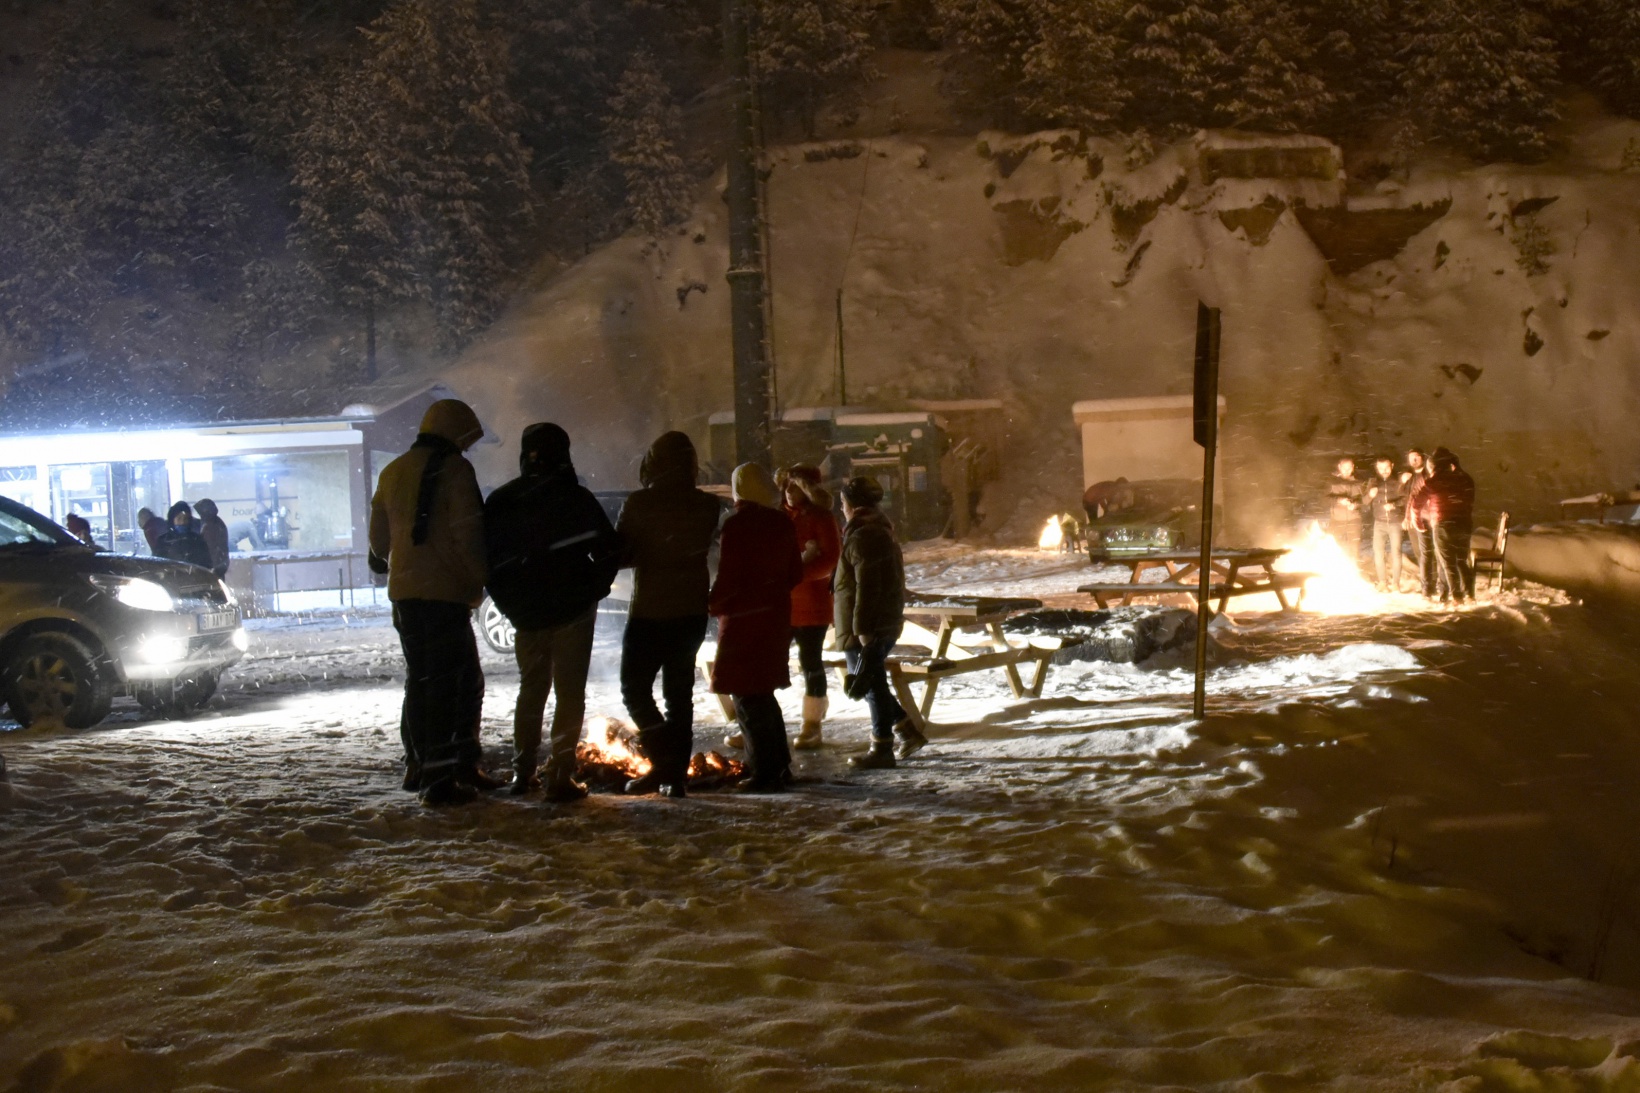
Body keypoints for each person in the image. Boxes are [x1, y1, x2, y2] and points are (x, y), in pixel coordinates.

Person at [483, 424, 620, 802]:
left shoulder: (502, 501)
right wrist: (594, 587)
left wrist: (511, 605)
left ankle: (522, 771)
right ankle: (559, 774)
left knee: (532, 691)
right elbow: (610, 550)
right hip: (573, 610)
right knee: (569, 693)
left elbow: (489, 563)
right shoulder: (576, 498)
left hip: (527, 615)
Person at [368, 398, 492, 807]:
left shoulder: (392, 470)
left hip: (406, 596)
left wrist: (391, 556)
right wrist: (480, 581)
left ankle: (419, 764)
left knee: (421, 680)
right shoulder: (456, 470)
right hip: (444, 594)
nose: (467, 448)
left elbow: (379, 539)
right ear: (455, 431)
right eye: (466, 439)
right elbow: (468, 533)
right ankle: (447, 774)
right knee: (460, 683)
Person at [617, 432, 723, 798]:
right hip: (691, 610)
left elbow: (623, 552)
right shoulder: (707, 506)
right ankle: (674, 776)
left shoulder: (640, 503)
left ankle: (663, 762)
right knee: (679, 695)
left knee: (635, 689)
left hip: (650, 609)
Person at [726, 464, 840, 753]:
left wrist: (792, 574)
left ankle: (811, 725)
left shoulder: (821, 518)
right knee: (765, 662)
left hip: (811, 605)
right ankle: (756, 725)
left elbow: (829, 559)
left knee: (810, 663)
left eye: (796, 486)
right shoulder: (777, 517)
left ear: (809, 490)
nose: (789, 492)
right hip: (779, 604)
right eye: (787, 486)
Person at [708, 464, 802, 792]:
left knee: (747, 696)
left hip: (744, 619)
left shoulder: (737, 525)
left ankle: (763, 770)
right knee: (762, 692)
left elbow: (729, 575)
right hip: (774, 615)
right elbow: (794, 573)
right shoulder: (781, 522)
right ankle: (779, 765)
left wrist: (713, 604)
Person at [835, 475, 925, 770]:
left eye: (842, 502)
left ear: (850, 503)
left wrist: (862, 630)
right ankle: (905, 731)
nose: (841, 507)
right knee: (872, 681)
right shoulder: (873, 529)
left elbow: (867, 586)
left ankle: (882, 748)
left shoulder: (864, 534)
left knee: (868, 684)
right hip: (880, 620)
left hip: (867, 625)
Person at [1423, 447, 1476, 606]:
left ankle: (1456, 596)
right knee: (1461, 560)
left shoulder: (1438, 480)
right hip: (1464, 523)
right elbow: (1468, 500)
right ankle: (1469, 594)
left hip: (1444, 523)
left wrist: (1418, 516)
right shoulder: (1465, 478)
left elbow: (1421, 497)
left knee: (1447, 562)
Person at [1365, 457, 1406, 593]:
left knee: (1396, 553)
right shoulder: (1373, 482)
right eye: (1381, 468)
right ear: (1377, 468)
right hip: (1379, 523)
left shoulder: (1398, 481)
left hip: (1395, 522)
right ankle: (1382, 582)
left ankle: (1395, 584)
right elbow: (1364, 501)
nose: (1384, 471)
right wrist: (1370, 495)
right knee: (1378, 553)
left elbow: (1405, 499)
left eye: (1387, 468)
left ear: (1392, 466)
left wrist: (1394, 505)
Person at [1402, 449, 1434, 598]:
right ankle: (1427, 584)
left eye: (1417, 458)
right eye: (1411, 459)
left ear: (1423, 459)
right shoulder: (1411, 476)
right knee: (1419, 552)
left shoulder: (1426, 476)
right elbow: (1407, 496)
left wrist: (1410, 516)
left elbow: (1415, 499)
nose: (1413, 461)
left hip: (1424, 518)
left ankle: (1429, 586)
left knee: (1426, 553)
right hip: (1416, 518)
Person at [1326, 458, 1364, 566]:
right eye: (1344, 468)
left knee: (1354, 549)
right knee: (1334, 548)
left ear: (1353, 467)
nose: (1346, 471)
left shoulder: (1359, 482)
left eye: (1349, 468)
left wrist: (1355, 504)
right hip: (1337, 520)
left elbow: (1364, 500)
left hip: (1354, 520)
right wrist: (1339, 500)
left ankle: (1354, 572)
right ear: (1339, 467)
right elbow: (1323, 499)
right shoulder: (1331, 481)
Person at [156, 501, 214, 570]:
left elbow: (206, 565)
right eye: (179, 518)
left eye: (186, 519)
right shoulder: (163, 541)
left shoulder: (197, 541)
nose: (183, 522)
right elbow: (157, 566)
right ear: (172, 520)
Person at [194, 499, 231, 579]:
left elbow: (211, 546)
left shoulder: (212, 525)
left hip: (213, 566)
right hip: (216, 565)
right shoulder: (217, 523)